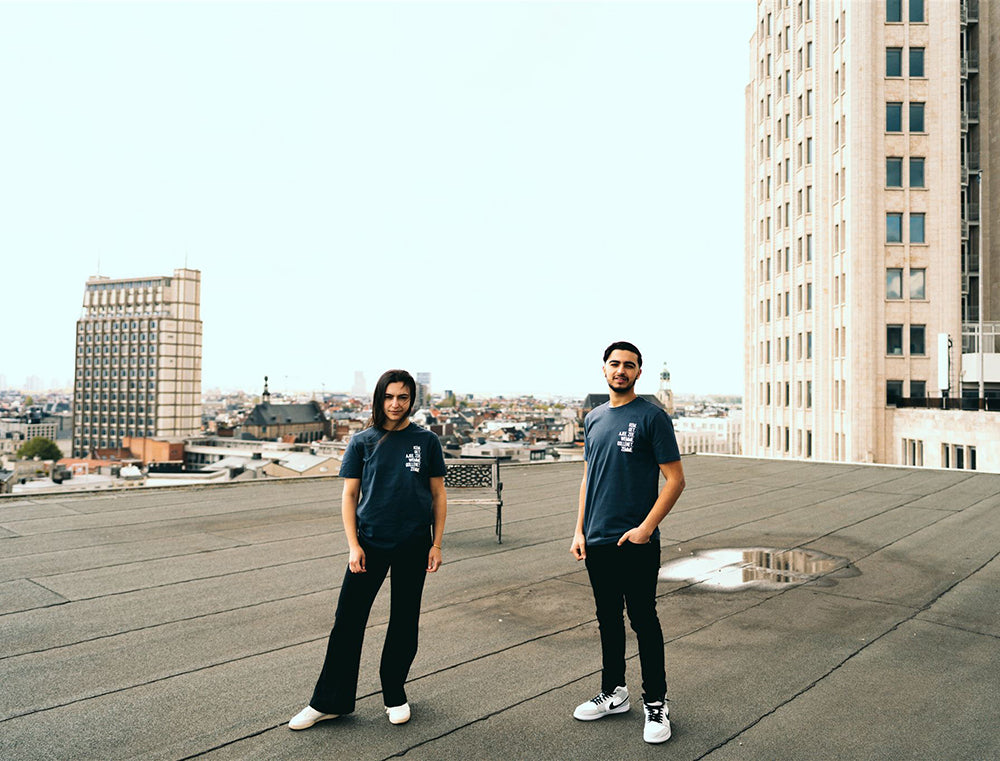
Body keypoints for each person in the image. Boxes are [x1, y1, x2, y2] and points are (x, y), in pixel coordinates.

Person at [289, 369, 447, 730]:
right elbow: (349, 495)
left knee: (404, 621)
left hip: (413, 543)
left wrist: (436, 543)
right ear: (379, 398)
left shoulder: (426, 441)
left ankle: (394, 693)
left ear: (412, 400)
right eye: (389, 396)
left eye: (403, 397)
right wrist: (353, 545)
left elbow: (438, 495)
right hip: (370, 543)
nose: (396, 404)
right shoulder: (363, 441)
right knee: (347, 622)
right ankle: (328, 702)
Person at [570, 341, 685, 744]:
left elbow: (676, 480)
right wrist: (579, 529)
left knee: (643, 620)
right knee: (607, 619)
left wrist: (646, 528)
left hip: (635, 541)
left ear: (639, 372)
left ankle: (656, 702)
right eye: (615, 364)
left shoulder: (652, 417)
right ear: (604, 369)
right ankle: (614, 692)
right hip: (596, 539)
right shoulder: (594, 417)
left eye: (629, 365)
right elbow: (589, 476)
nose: (621, 370)